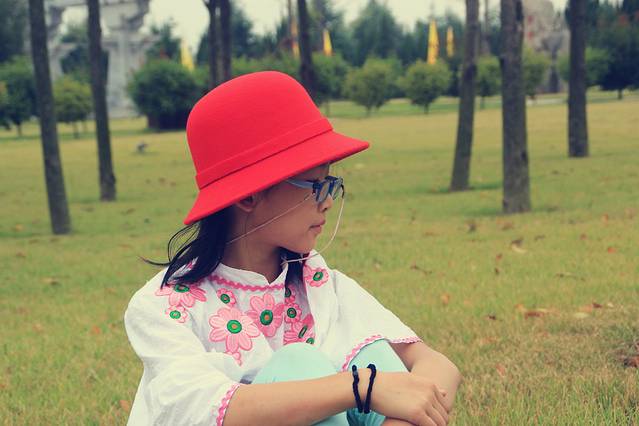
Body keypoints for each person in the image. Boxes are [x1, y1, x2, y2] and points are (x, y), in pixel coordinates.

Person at [123, 71, 462, 426]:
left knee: (372, 352)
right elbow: (203, 409)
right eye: (315, 185)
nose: (327, 201)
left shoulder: (317, 283)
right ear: (249, 195)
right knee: (301, 364)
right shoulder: (165, 307)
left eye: (331, 184)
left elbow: (436, 366)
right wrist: (359, 386)